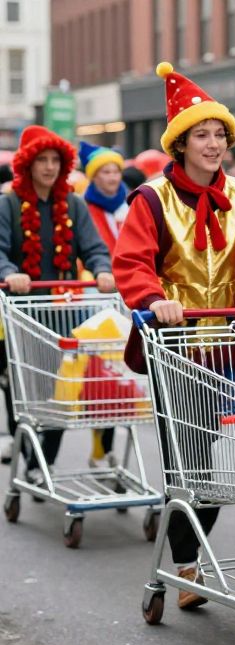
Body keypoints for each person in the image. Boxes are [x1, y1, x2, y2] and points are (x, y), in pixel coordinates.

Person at [113, 62, 235, 609]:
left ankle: (184, 539)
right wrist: (153, 300)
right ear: (181, 144)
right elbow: (132, 263)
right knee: (187, 454)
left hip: (227, 343)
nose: (214, 144)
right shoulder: (151, 199)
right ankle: (188, 563)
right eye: (203, 135)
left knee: (212, 450)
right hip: (173, 345)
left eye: (220, 134)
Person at [0, 126, 115, 471]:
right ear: (27, 164)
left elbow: (94, 248)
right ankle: (31, 459)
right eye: (41, 160)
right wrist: (9, 272)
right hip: (20, 313)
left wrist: (102, 269)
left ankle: (41, 463)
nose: (49, 167)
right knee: (21, 392)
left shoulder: (73, 205)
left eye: (54, 160)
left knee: (61, 392)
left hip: (62, 312)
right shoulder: (8, 204)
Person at [80, 140, 129, 468]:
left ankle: (107, 447)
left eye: (116, 171)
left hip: (128, 296)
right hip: (96, 298)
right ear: (94, 177)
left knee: (123, 374)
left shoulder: (130, 204)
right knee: (102, 374)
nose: (112, 177)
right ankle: (100, 444)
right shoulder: (84, 207)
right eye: (105, 171)